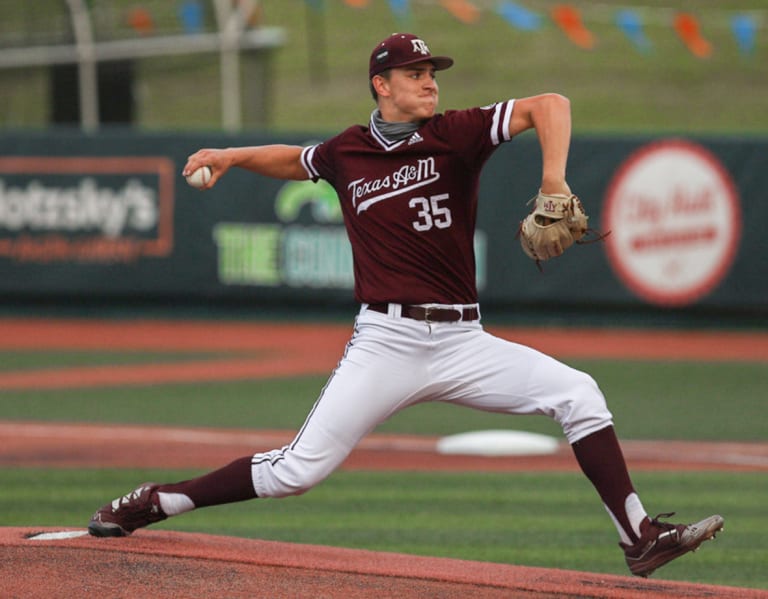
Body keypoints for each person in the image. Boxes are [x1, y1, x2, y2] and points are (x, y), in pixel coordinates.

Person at [88, 33, 723, 578]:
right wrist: (233, 156)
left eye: (432, 74)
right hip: (385, 343)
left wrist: (552, 181)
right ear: (380, 85)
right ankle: (160, 501)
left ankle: (638, 538)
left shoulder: (457, 135)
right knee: (296, 472)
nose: (429, 84)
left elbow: (550, 105)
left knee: (579, 394)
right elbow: (296, 160)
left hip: (464, 342)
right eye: (415, 75)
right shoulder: (347, 151)